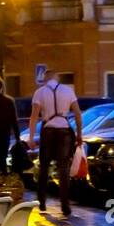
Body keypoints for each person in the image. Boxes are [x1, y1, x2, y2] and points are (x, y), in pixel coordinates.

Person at [28, 68, 83, 217]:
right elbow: (77, 113)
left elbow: (34, 117)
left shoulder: (40, 92)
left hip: (48, 130)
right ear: (57, 78)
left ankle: (42, 202)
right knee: (63, 168)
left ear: (46, 79)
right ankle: (65, 205)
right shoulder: (68, 91)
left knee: (44, 167)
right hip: (64, 131)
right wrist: (79, 134)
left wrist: (31, 138)